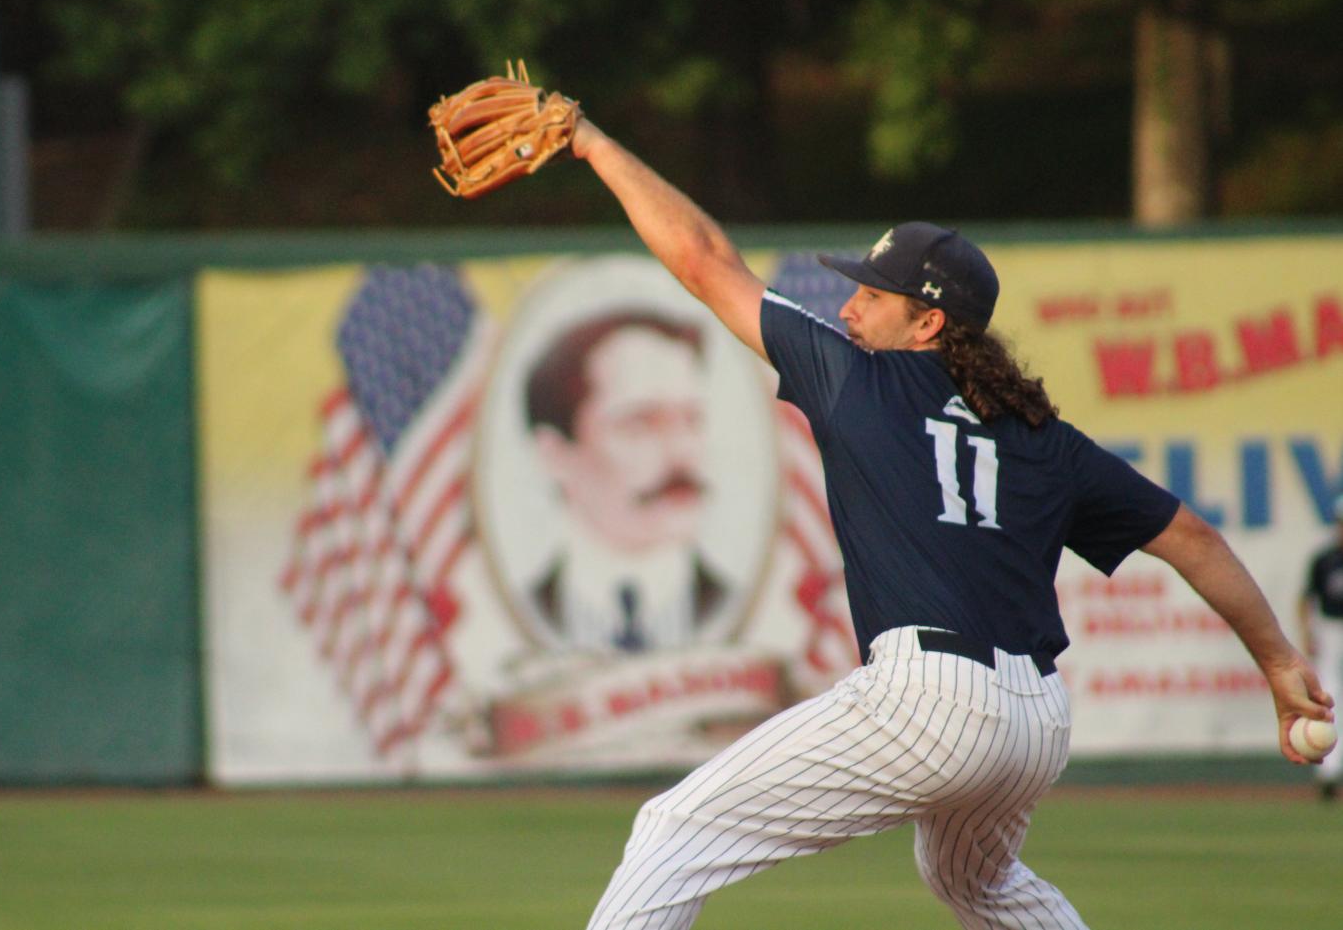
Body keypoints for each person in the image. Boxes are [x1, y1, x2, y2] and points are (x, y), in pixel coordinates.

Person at [560, 116, 1335, 930]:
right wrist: (1278, 661)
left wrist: (589, 142)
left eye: (870, 295)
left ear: (927, 323)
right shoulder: (1045, 437)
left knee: (675, 830)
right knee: (976, 885)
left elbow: (702, 259)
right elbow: (1195, 540)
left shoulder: (856, 381)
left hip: (926, 701)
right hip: (1036, 722)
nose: (849, 309)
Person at [524, 309, 727, 652]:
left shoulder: (724, 602)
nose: (680, 452)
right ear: (556, 454)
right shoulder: (531, 609)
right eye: (640, 425)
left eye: (691, 420)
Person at [1299, 494, 1343, 800]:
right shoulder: (1325, 559)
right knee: (1330, 699)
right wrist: (1307, 633)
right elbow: (1306, 599)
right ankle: (1329, 776)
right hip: (1331, 629)